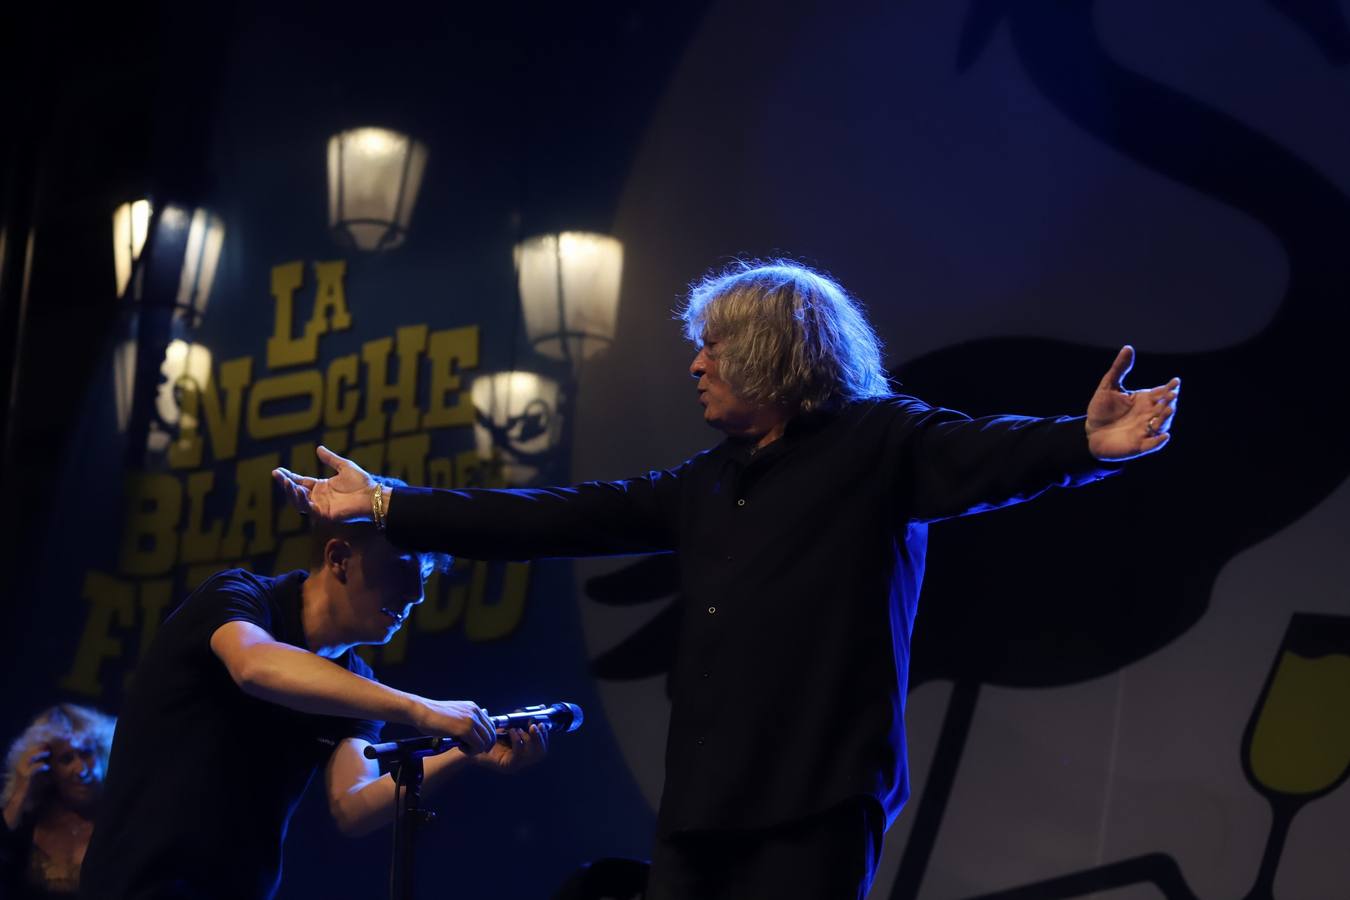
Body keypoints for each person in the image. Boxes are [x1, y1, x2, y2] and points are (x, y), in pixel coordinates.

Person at [274, 261, 1180, 899]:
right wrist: (389, 506)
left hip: (817, 795)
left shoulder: (878, 443)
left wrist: (1085, 442)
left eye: (712, 346)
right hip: (705, 800)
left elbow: (990, 454)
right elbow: (555, 517)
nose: (695, 364)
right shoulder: (705, 482)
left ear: (776, 353)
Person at [79, 476, 549, 900]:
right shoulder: (241, 597)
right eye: (404, 569)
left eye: (423, 579)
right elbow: (255, 665)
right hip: (137, 884)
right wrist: (422, 710)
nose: (417, 595)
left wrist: (464, 749)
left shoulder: (357, 685)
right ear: (339, 559)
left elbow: (353, 805)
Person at [2, 705, 116, 898]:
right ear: (47, 767)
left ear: (102, 754)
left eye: (86, 754)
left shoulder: (120, 820)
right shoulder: (28, 822)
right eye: (66, 759)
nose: (81, 770)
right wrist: (21, 792)